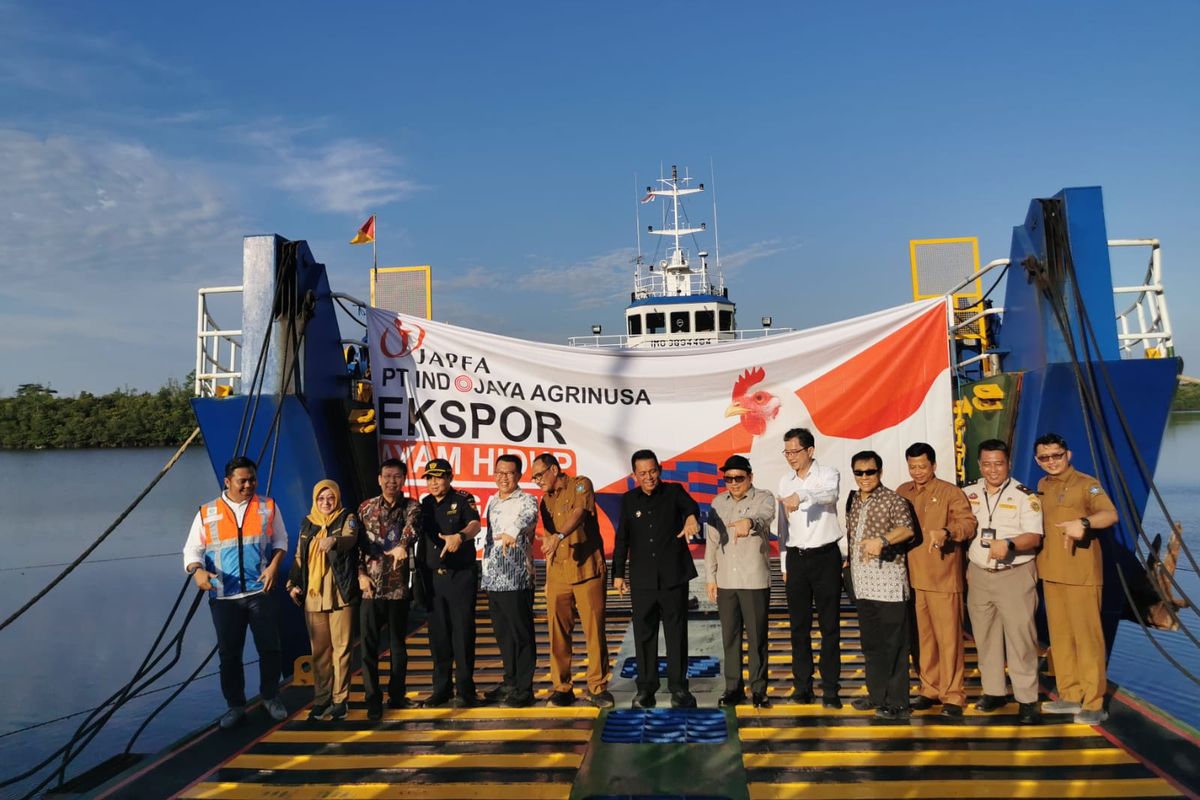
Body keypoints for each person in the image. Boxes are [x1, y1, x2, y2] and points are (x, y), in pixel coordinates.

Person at [182, 456, 289, 728]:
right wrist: (197, 571)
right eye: (242, 481)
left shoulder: (268, 507)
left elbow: (281, 540)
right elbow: (192, 549)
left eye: (252, 479)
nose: (248, 485)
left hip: (258, 590)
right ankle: (235, 706)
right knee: (229, 655)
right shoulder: (207, 512)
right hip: (224, 596)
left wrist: (275, 566)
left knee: (270, 647)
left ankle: (270, 697)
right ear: (228, 481)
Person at [1034, 433, 1119, 725]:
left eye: (1056, 455)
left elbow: (1109, 514)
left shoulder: (1086, 484)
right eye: (1044, 457)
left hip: (1081, 576)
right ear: (1037, 460)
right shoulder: (1043, 485)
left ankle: (1094, 702)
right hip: (1052, 574)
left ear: (1067, 455)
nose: (1051, 462)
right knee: (1061, 638)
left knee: (1088, 640)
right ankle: (1070, 695)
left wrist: (1083, 522)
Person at [963, 439, 1044, 725]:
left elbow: (1034, 537)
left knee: (1020, 638)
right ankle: (994, 692)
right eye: (987, 463)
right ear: (979, 464)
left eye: (998, 463)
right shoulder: (968, 492)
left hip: (1014, 573)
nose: (992, 469)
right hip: (980, 574)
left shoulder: (1025, 496)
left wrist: (1009, 543)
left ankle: (1027, 698)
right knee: (984, 636)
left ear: (1008, 463)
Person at [612, 449, 701, 709]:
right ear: (634, 475)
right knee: (644, 635)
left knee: (676, 634)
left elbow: (690, 507)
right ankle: (646, 688)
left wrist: (691, 518)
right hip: (642, 581)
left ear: (659, 469)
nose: (649, 477)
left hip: (673, 577)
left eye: (652, 471)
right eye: (643, 473)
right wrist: (618, 574)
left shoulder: (674, 491)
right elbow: (622, 539)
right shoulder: (629, 500)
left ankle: (679, 688)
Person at [896, 442, 977, 718]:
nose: (917, 472)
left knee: (949, 639)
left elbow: (968, 524)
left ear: (933, 465)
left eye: (922, 466)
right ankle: (929, 688)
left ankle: (953, 693)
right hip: (913, 579)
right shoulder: (902, 492)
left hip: (943, 578)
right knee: (923, 639)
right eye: (913, 466)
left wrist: (947, 531)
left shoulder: (950, 493)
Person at [532, 453, 613, 708]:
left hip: (587, 568)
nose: (537, 481)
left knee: (593, 630)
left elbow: (578, 513)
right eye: (533, 478)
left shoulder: (581, 484)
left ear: (554, 469)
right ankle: (562, 688)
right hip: (558, 572)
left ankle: (597, 687)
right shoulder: (544, 501)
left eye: (539, 475)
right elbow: (548, 540)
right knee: (558, 632)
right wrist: (547, 578)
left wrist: (559, 534)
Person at [776, 427, 845, 708]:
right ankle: (802, 686)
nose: (790, 457)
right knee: (798, 627)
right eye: (787, 452)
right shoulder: (784, 481)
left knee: (830, 627)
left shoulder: (828, 474)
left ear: (810, 451)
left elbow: (830, 495)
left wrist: (802, 496)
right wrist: (783, 563)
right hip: (796, 559)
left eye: (795, 451)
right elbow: (782, 526)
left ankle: (830, 689)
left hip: (826, 557)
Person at [846, 451, 916, 720]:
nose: (865, 477)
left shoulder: (894, 500)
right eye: (859, 473)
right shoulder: (853, 500)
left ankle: (898, 701)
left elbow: (907, 529)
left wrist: (883, 541)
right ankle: (876, 695)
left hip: (888, 585)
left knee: (895, 646)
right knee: (871, 645)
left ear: (880, 472)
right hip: (863, 585)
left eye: (870, 472)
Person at [703, 455, 776, 708]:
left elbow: (764, 517)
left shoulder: (763, 498)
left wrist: (749, 522)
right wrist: (710, 578)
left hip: (753, 580)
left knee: (757, 638)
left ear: (750, 477)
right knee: (730, 638)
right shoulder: (716, 503)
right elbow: (711, 543)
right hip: (726, 581)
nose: (733, 483)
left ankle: (759, 690)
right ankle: (733, 688)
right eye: (728, 478)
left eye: (739, 478)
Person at [286, 480, 361, 721]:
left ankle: (340, 700)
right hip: (314, 595)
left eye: (330, 498)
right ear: (315, 500)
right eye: (321, 498)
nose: (326, 503)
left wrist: (334, 541)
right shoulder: (308, 522)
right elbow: (300, 555)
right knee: (320, 652)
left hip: (340, 592)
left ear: (337, 498)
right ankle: (322, 698)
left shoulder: (347, 517)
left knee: (342, 650)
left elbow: (351, 538)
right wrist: (292, 583)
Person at [357, 458, 421, 721]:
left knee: (397, 646)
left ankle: (397, 695)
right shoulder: (365, 508)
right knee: (369, 648)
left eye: (397, 477)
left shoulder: (411, 507)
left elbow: (412, 528)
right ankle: (373, 699)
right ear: (379, 479)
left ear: (403, 480)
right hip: (370, 588)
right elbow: (358, 546)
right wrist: (360, 575)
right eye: (387, 476)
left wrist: (402, 546)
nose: (392, 481)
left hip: (397, 588)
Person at [418, 458, 482, 708]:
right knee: (439, 636)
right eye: (429, 478)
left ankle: (466, 690)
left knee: (463, 632)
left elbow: (475, 525)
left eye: (439, 477)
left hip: (460, 576)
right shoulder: (424, 504)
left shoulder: (463, 499)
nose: (434, 483)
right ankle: (441, 689)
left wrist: (460, 536)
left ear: (450, 478)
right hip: (433, 579)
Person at [482, 455, 539, 708]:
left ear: (518, 476)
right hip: (493, 578)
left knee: (521, 634)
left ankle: (525, 689)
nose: (503, 477)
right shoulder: (492, 501)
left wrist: (511, 534)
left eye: (509, 473)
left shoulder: (527, 500)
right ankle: (510, 681)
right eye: (499, 472)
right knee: (503, 635)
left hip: (517, 577)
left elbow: (525, 519)